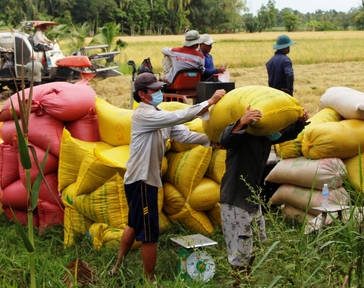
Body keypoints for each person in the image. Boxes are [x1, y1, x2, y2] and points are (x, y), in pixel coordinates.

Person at [109, 72, 226, 282]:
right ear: (143, 94)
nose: (160, 93)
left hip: (140, 180)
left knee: (134, 225)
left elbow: (183, 134)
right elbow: (179, 116)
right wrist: (209, 102)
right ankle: (150, 281)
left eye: (160, 89)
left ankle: (116, 267)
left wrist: (209, 141)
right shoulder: (144, 114)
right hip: (142, 181)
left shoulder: (158, 112)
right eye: (155, 90)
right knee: (149, 233)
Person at [219, 105, 307, 287]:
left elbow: (286, 136)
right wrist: (242, 121)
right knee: (240, 253)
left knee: (257, 243)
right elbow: (225, 139)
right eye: (278, 126)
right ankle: (240, 283)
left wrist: (299, 123)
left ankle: (246, 278)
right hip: (236, 200)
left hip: (252, 200)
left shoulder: (266, 138)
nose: (280, 130)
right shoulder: (242, 137)